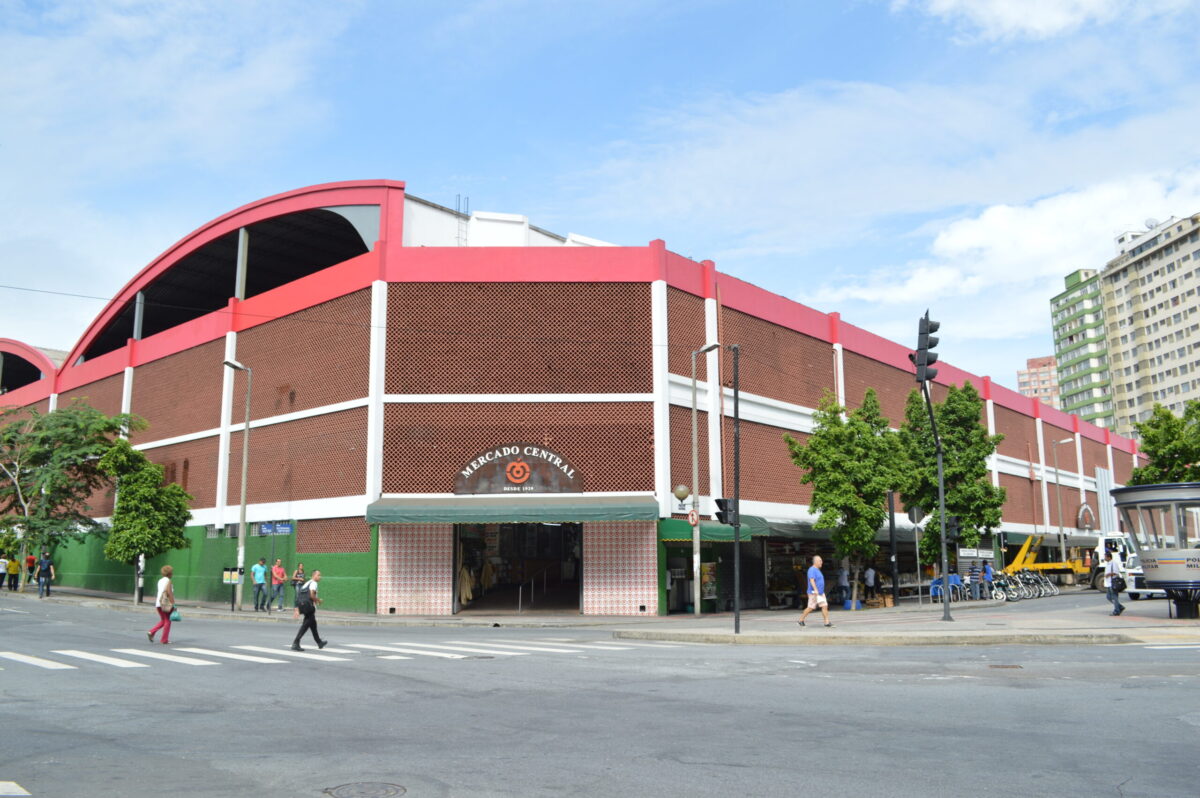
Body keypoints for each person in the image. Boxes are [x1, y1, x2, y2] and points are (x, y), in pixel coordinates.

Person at [292, 570, 328, 651]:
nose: (320, 577)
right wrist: (318, 600)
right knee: (306, 625)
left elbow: (299, 595)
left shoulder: (307, 583)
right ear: (314, 575)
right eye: (318, 575)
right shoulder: (314, 583)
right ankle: (296, 642)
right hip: (309, 607)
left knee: (313, 624)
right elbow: (312, 595)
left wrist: (297, 608)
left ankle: (319, 642)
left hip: (302, 605)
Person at [798, 555, 833, 628]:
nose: (822, 562)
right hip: (814, 592)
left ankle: (826, 622)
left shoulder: (817, 570)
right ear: (816, 562)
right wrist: (816, 589)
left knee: (824, 606)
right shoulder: (812, 569)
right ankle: (801, 619)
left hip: (820, 593)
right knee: (811, 607)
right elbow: (811, 580)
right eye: (820, 561)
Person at [148, 565, 175, 644]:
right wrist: (173, 604)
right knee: (168, 621)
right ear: (169, 573)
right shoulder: (168, 581)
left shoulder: (160, 581)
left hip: (158, 603)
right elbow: (169, 592)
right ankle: (164, 639)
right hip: (165, 603)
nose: (172, 574)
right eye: (171, 572)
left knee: (163, 620)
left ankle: (151, 632)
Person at [1103, 550, 1125, 616]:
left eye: (1105, 557)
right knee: (1108, 597)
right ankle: (1119, 606)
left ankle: (1116, 611)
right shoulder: (1108, 564)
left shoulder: (1113, 563)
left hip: (1113, 583)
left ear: (1109, 557)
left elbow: (1116, 572)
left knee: (1114, 597)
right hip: (1108, 583)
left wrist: (1108, 574)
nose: (1104, 558)